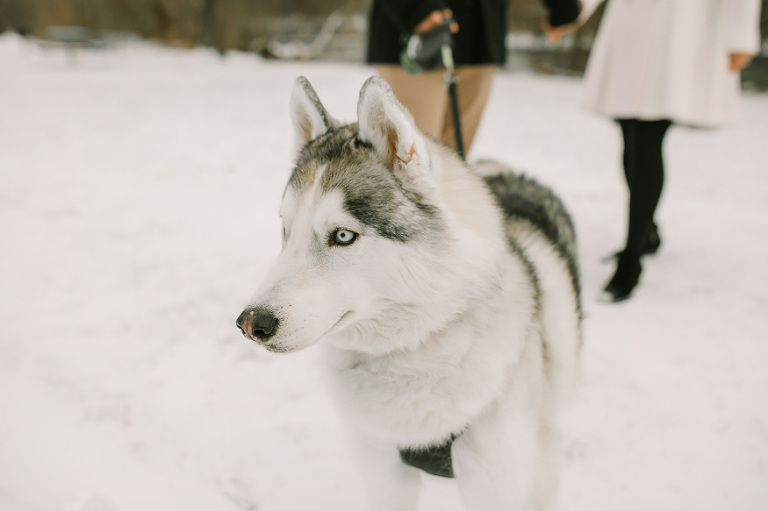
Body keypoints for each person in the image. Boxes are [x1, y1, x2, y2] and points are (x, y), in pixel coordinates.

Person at [561, 0, 762, 302]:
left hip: (680, 27)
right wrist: (573, 8)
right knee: (629, 131)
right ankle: (648, 232)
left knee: (647, 135)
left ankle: (631, 260)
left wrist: (741, 36)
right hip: (630, 25)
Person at [367, 0, 581, 155]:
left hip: (479, 35)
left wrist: (562, 6)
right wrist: (414, 8)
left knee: (454, 168)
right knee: (412, 167)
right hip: (418, 40)